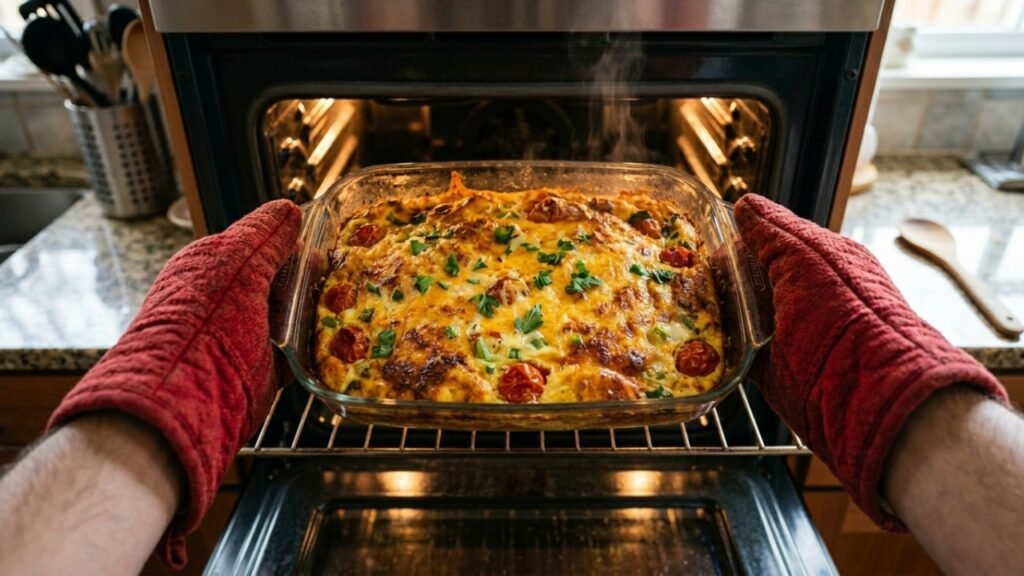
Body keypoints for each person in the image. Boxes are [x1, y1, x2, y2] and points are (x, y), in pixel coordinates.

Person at [0, 196, 1020, 575]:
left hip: (635, 327)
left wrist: (146, 406)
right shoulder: (366, 270)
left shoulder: (663, 255)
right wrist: (914, 402)